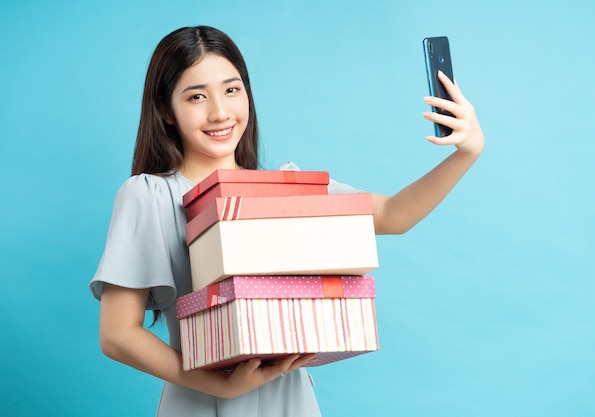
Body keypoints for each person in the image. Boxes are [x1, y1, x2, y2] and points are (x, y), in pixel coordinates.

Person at [89, 25, 484, 417]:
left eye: (232, 89)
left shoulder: (285, 191)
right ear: (165, 110)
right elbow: (118, 334)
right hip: (200, 401)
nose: (220, 112)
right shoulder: (150, 196)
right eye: (196, 96)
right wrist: (221, 386)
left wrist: (466, 153)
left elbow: (394, 214)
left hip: (291, 401)